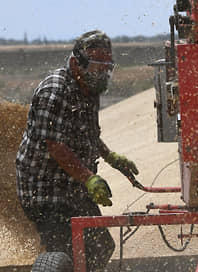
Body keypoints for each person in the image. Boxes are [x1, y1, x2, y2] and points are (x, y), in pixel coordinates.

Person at [16, 30, 139, 271]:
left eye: (106, 66)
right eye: (96, 65)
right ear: (76, 62)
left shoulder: (89, 88)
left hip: (73, 186)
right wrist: (90, 178)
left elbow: (88, 133)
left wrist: (110, 157)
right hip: (44, 189)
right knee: (66, 253)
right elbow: (55, 146)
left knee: (101, 247)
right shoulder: (54, 91)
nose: (102, 72)